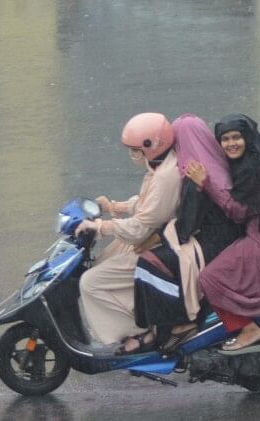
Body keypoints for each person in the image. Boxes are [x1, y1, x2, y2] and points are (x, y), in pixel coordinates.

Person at [187, 114, 260, 352]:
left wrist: (206, 183)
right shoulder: (253, 162)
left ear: (248, 138)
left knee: (209, 278)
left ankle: (248, 328)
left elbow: (238, 211)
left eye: (236, 138)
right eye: (225, 139)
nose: (231, 144)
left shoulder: (255, 169)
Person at [127, 114, 244, 354]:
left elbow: (186, 227)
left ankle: (177, 324)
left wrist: (155, 237)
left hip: (212, 243)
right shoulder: (215, 163)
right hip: (223, 238)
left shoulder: (196, 173)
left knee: (150, 262)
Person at [76, 113, 182, 346]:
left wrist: (102, 226)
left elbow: (142, 225)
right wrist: (116, 206)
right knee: (102, 264)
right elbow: (149, 205)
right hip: (152, 236)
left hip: (157, 242)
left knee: (91, 282)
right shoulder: (162, 165)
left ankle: (136, 333)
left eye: (136, 150)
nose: (132, 155)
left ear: (152, 146)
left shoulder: (165, 176)